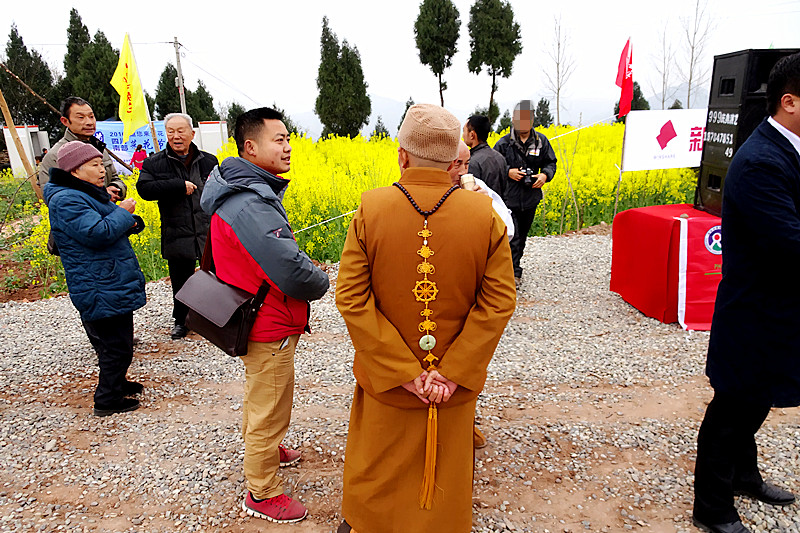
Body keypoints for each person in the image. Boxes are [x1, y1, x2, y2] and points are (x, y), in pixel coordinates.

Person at [335, 104, 517, 533]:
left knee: (377, 472)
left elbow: (351, 297)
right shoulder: (484, 215)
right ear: (453, 159)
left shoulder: (371, 209)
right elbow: (499, 300)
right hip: (451, 389)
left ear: (402, 155)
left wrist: (404, 372)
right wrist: (451, 373)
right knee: (443, 480)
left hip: (388, 384)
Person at [200, 107, 329, 523]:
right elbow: (289, 269)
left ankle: (268, 451)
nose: (288, 147)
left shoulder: (245, 193)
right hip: (266, 321)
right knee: (269, 408)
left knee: (264, 397)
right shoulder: (250, 205)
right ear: (250, 147)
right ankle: (262, 492)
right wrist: (320, 280)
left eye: (288, 138)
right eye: (279, 140)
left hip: (261, 315)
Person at [692, 52, 800, 533]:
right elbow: (789, 244)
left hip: (777, 309)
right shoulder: (760, 163)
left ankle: (743, 476)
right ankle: (712, 506)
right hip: (756, 311)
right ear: (789, 102)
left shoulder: (785, 150)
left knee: (755, 400)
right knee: (734, 409)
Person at [43, 141, 146, 416]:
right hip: (98, 283)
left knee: (119, 341)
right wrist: (123, 213)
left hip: (107, 279)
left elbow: (104, 224)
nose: (102, 170)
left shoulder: (84, 193)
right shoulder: (67, 199)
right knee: (116, 346)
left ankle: (117, 383)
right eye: (95, 165)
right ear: (75, 171)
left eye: (102, 164)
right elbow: (97, 232)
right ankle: (107, 400)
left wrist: (128, 219)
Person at [137, 113, 219, 339]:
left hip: (206, 229)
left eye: (180, 131)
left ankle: (214, 318)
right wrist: (177, 186)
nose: (176, 136)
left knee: (214, 277)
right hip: (176, 230)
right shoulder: (154, 163)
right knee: (181, 279)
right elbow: (144, 190)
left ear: (192, 134)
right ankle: (182, 320)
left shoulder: (209, 160)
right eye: (170, 131)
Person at [493, 100, 557, 289]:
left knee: (522, 238)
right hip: (509, 199)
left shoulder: (541, 141)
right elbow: (494, 164)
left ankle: (514, 268)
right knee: (512, 237)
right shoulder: (504, 143)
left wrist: (545, 175)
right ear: (513, 119)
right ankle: (513, 273)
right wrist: (508, 172)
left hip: (530, 198)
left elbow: (551, 163)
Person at [39, 96, 127, 201]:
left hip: (109, 210)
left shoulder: (98, 148)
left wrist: (115, 189)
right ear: (65, 121)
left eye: (91, 116)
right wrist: (102, 195)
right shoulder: (56, 155)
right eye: (81, 117)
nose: (89, 122)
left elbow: (115, 179)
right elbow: (53, 196)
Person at [462, 114, 508, 197]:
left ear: (472, 135)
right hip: (499, 204)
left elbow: (472, 194)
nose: (463, 135)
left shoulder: (473, 161)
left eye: (464, 131)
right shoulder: (500, 157)